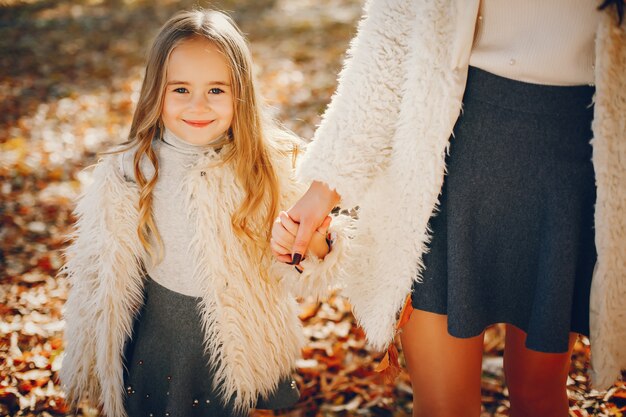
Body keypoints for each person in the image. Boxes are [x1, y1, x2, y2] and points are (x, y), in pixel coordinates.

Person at [275, 1, 626, 416]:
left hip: (567, 168)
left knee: (540, 398)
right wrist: (323, 188)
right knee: (444, 407)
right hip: (442, 167)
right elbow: (387, 42)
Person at [59, 9, 350, 417]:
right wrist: (89, 354)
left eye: (216, 90)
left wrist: (314, 243)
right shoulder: (131, 167)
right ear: (155, 91)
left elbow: (303, 263)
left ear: (240, 93)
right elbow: (97, 271)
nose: (198, 105)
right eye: (180, 89)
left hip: (241, 332)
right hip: (157, 331)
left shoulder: (265, 166)